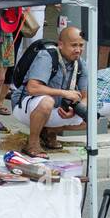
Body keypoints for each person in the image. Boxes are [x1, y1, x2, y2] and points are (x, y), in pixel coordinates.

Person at [13, 26, 90, 157]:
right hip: (25, 105)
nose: (78, 50)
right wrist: (64, 93)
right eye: (73, 45)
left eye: (81, 45)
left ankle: (49, 131)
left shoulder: (80, 63)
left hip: (55, 109)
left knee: (92, 115)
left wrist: (75, 110)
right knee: (47, 101)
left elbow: (86, 97)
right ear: (61, 44)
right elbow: (32, 88)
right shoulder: (47, 56)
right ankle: (32, 144)